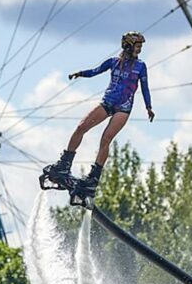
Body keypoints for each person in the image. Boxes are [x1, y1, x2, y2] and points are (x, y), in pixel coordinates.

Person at [42, 31, 154, 197]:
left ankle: (93, 179)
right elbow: (95, 71)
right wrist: (79, 73)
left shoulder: (140, 66)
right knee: (81, 127)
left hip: (123, 107)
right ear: (128, 46)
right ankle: (64, 163)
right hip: (107, 102)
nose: (140, 50)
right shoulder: (114, 62)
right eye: (137, 46)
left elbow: (145, 87)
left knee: (106, 138)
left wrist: (148, 107)